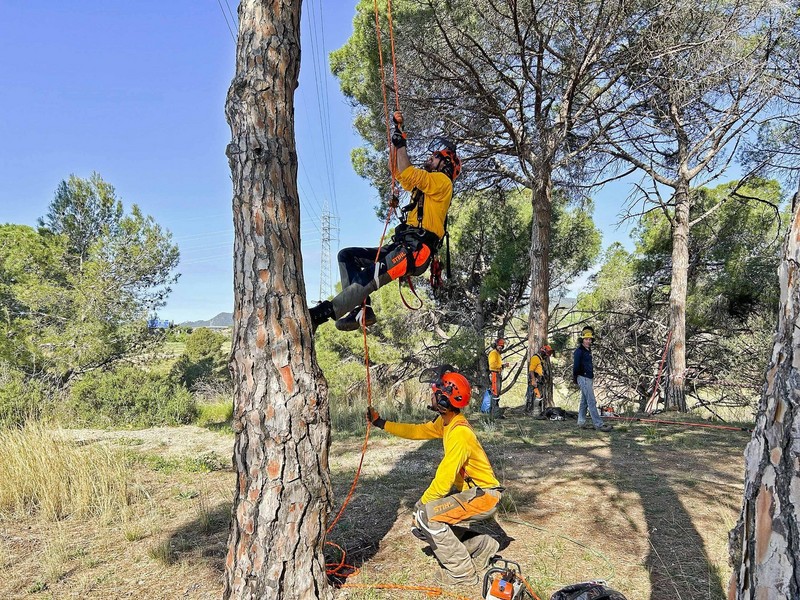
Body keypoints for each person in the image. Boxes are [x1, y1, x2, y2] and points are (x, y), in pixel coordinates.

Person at [309, 112, 461, 332]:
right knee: (347, 255)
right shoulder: (427, 188)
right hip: (403, 246)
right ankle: (361, 309)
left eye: (435, 156)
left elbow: (408, 173)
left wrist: (402, 144)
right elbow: (399, 174)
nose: (430, 158)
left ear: (445, 163)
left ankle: (320, 315)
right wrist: (396, 142)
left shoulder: (442, 182)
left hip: (415, 251)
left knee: (369, 276)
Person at [366, 366, 503, 586]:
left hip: (484, 496)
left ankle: (462, 574)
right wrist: (380, 423)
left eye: (435, 390)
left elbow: (444, 480)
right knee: (427, 519)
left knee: (426, 517)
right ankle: (481, 546)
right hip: (476, 493)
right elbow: (417, 431)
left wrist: (421, 505)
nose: (431, 393)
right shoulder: (446, 422)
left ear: (444, 400)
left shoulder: (459, 433)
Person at [573, 326, 612, 432]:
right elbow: (576, 366)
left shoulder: (587, 350)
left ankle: (581, 422)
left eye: (590, 339)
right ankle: (598, 424)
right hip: (583, 377)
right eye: (586, 339)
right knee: (591, 401)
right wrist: (575, 378)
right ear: (582, 339)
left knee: (584, 401)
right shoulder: (579, 351)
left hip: (588, 378)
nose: (588, 341)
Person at [525, 344, 553, 416]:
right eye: (547, 353)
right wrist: (533, 380)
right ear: (543, 351)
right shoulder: (535, 358)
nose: (547, 356)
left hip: (540, 381)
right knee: (535, 396)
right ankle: (532, 412)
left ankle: (537, 412)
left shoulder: (541, 359)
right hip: (535, 380)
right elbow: (531, 370)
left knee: (539, 397)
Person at [487, 338, 509, 418]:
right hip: (494, 375)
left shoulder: (497, 353)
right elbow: (492, 365)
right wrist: (502, 366)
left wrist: (502, 366)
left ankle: (495, 412)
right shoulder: (493, 353)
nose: (501, 347)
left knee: (497, 393)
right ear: (496, 345)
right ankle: (495, 414)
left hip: (497, 374)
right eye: (500, 345)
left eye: (502, 346)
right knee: (495, 393)